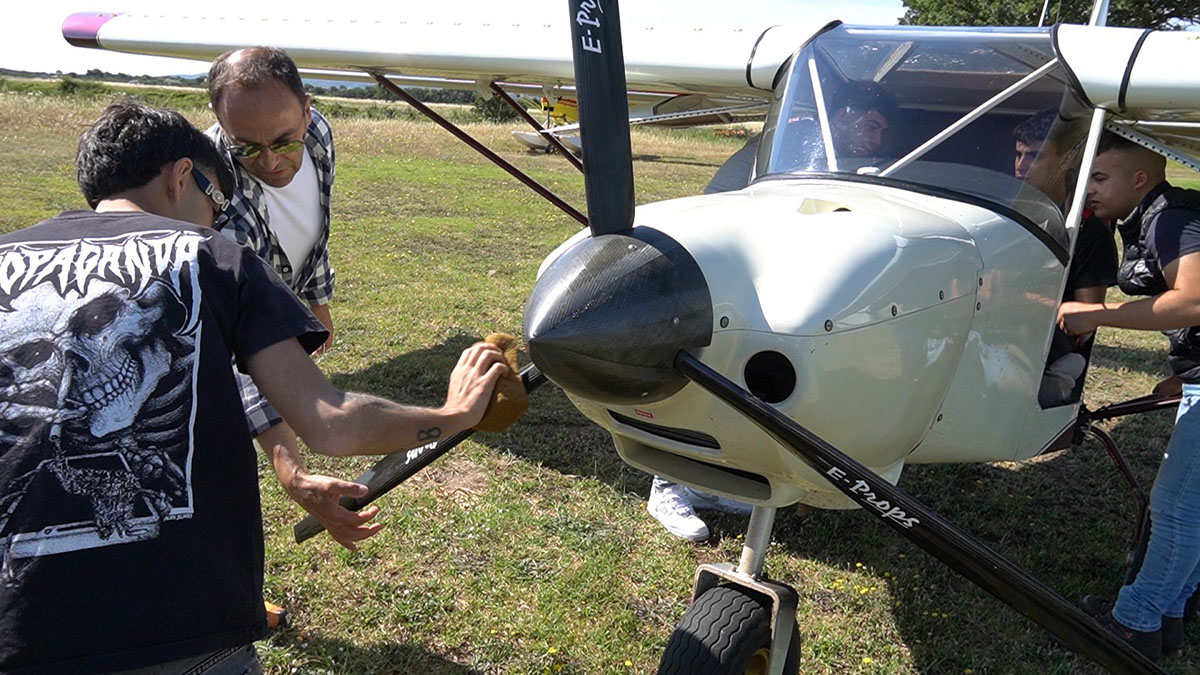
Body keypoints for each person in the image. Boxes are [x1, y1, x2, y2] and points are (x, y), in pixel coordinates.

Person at [0, 99, 508, 673]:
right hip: (179, 626)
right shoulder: (212, 256)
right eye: (216, 201)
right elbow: (332, 422)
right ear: (181, 177)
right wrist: (454, 413)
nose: (215, 218)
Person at [204, 47, 379, 553]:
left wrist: (315, 296)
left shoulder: (320, 134)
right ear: (218, 125)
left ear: (307, 109)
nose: (272, 162)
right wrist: (291, 470)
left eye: (284, 141)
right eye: (246, 149)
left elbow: (315, 220)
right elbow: (245, 346)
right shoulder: (215, 202)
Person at [1058, 132, 1200, 661]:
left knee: (1178, 508)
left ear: (1139, 179)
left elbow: (1193, 301)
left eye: (1099, 178)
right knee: (1192, 507)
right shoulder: (1153, 217)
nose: (1087, 190)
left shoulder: (1172, 218)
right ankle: (1168, 614)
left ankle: (1134, 625)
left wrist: (1099, 314)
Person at [1009, 109, 1118, 407]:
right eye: (1017, 155)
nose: (1021, 166)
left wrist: (1011, 296)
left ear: (1067, 160)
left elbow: (1086, 320)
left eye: (1033, 156)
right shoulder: (1007, 214)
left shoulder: (1089, 232)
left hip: (1040, 350)